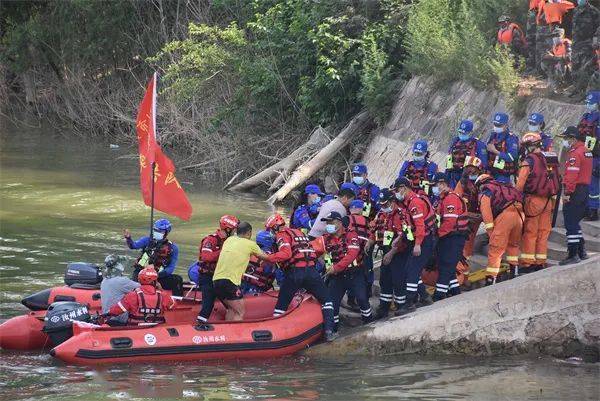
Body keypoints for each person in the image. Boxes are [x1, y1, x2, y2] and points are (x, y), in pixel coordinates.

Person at [263, 213, 336, 341]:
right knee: (327, 300)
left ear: (275, 228)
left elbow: (286, 254)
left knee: (281, 305)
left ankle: (274, 334)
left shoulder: (282, 235)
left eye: (270, 230)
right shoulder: (298, 232)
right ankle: (329, 332)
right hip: (311, 272)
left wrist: (267, 258)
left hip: (295, 273)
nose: (270, 233)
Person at [312, 211, 373, 330]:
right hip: (337, 276)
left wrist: (335, 268)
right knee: (332, 302)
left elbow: (352, 255)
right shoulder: (325, 239)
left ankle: (369, 322)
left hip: (354, 273)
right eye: (327, 222)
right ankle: (333, 329)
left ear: (339, 223)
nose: (328, 225)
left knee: (361, 298)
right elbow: (311, 250)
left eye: (331, 222)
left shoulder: (351, 235)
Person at [516, 132, 560, 273]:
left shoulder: (529, 161)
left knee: (530, 232)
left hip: (533, 201)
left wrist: (516, 199)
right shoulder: (551, 158)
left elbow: (520, 184)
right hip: (548, 201)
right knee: (543, 232)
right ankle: (540, 261)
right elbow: (557, 178)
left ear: (529, 146)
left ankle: (528, 263)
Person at [391, 177, 436, 314]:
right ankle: (424, 296)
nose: (396, 193)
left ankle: (409, 303)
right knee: (409, 268)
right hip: (420, 239)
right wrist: (399, 238)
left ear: (404, 188)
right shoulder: (408, 202)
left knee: (412, 271)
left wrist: (417, 245)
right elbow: (409, 225)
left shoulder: (414, 202)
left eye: (397, 190)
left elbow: (420, 226)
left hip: (424, 240)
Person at [210, 222, 269, 321]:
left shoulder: (229, 240)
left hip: (216, 280)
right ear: (249, 232)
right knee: (240, 312)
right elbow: (266, 257)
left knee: (231, 309)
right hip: (230, 282)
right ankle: (236, 334)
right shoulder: (251, 244)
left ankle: (227, 333)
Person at [476, 174, 524, 285]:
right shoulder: (503, 186)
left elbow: (486, 213)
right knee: (513, 245)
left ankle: (491, 279)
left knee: (495, 249)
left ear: (480, 183)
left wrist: (491, 232)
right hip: (520, 214)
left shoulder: (486, 191)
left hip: (505, 216)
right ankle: (514, 272)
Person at [431, 173, 469, 301]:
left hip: (454, 237)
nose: (434, 188)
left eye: (435, 185)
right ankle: (455, 291)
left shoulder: (450, 199)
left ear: (442, 184)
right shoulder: (443, 199)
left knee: (446, 266)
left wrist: (438, 235)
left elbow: (449, 222)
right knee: (445, 265)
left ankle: (439, 294)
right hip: (448, 236)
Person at [195, 215, 239, 324]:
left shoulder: (229, 241)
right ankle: (199, 326)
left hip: (221, 277)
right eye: (233, 230)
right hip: (208, 278)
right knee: (208, 305)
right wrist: (224, 251)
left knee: (232, 305)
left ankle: (229, 328)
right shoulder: (211, 239)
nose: (235, 232)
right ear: (228, 229)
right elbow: (206, 256)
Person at [559, 126, 593, 265]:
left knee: (570, 222)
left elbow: (572, 176)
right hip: (584, 190)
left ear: (573, 138)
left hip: (575, 190)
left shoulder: (575, 154)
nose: (566, 141)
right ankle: (581, 251)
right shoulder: (586, 151)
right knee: (575, 221)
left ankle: (573, 254)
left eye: (567, 138)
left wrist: (567, 193)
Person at [124, 218, 183, 296]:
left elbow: (171, 268)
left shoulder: (173, 248)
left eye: (160, 231)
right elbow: (133, 246)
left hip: (158, 276)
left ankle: (176, 301)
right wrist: (128, 239)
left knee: (178, 279)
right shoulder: (147, 240)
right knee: (135, 286)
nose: (157, 232)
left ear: (166, 233)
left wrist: (155, 275)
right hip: (141, 274)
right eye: (155, 230)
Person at [107, 265, 175, 324]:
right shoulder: (163, 296)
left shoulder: (131, 296)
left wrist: (103, 316)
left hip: (135, 329)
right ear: (155, 281)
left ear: (139, 280)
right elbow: (173, 306)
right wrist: (161, 290)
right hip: (157, 330)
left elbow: (115, 311)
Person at [454, 156, 485, 272]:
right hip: (466, 217)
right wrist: (468, 215)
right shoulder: (462, 183)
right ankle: (463, 266)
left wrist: (482, 215)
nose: (470, 173)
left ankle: (465, 265)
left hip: (481, 215)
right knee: (465, 240)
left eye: (473, 171)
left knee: (470, 240)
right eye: (468, 171)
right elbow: (456, 202)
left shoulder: (485, 182)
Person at [346, 199, 373, 307]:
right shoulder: (366, 221)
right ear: (360, 209)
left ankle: (351, 299)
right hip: (364, 253)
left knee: (351, 274)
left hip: (349, 253)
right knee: (364, 275)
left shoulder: (345, 219)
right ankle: (363, 299)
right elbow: (372, 234)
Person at [445, 119, 487, 188]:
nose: (461, 135)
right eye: (460, 132)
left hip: (469, 180)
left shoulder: (478, 145)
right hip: (453, 177)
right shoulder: (455, 143)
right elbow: (449, 162)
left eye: (464, 133)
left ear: (470, 133)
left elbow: (484, 164)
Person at [578, 91, 600, 221]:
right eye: (587, 103)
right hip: (584, 154)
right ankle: (586, 208)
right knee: (585, 183)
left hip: (596, 155)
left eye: (590, 103)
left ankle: (593, 210)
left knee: (594, 184)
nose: (588, 105)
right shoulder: (586, 116)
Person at [100, 255, 140, 326]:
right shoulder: (122, 281)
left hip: (106, 317)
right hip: (118, 320)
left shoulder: (105, 279)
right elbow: (143, 288)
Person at [571, 0, 600, 92]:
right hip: (576, 43)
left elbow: (598, 28)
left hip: (588, 44)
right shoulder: (575, 10)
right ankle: (577, 88)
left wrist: (595, 42)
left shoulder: (594, 11)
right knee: (575, 65)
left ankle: (587, 90)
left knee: (586, 67)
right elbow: (574, 27)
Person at [486, 112, 519, 184]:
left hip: (504, 175)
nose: (496, 127)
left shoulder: (511, 138)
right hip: (491, 172)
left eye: (499, 125)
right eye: (495, 124)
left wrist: (495, 151)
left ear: (506, 125)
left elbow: (512, 157)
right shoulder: (493, 135)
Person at [241, 230, 278, 294]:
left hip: (241, 285)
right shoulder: (270, 257)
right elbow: (272, 273)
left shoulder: (249, 251)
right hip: (257, 289)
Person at [526, 0, 544, 72]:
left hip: (543, 11)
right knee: (530, 40)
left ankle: (540, 68)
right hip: (533, 12)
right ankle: (532, 67)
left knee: (541, 41)